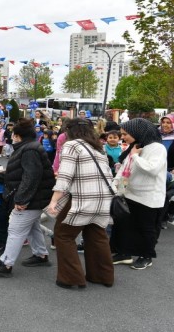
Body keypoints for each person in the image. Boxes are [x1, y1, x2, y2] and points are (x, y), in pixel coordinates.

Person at [48, 118, 115, 289]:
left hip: (83, 198)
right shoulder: (99, 148)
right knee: (96, 235)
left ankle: (71, 278)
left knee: (63, 234)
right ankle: (103, 276)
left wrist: (54, 200)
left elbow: (65, 175)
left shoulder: (71, 146)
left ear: (69, 131)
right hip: (102, 199)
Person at [0, 119, 55, 277]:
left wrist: (22, 200)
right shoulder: (29, 147)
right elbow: (21, 174)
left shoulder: (29, 150)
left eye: (13, 135)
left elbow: (31, 177)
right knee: (32, 227)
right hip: (36, 197)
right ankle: (41, 255)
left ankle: (5, 263)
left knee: (15, 229)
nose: (12, 137)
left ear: (17, 136)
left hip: (31, 199)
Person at [111, 119, 167, 270]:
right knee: (124, 225)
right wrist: (115, 185)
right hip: (129, 193)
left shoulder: (157, 148)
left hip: (149, 196)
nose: (123, 137)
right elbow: (124, 169)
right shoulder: (136, 146)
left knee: (145, 228)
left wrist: (136, 156)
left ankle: (146, 256)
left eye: (125, 134)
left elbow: (152, 169)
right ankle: (124, 253)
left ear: (138, 132)